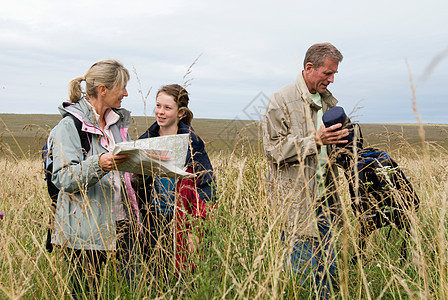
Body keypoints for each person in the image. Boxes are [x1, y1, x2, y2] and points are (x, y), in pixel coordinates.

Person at [262, 43, 348, 299]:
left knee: (329, 276)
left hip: (327, 202)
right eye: (327, 74)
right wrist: (315, 140)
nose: (331, 80)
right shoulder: (281, 100)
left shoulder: (328, 102)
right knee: (302, 279)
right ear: (309, 68)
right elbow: (273, 151)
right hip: (297, 205)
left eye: (334, 75)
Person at [50, 59, 140, 298]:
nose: (126, 93)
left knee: (133, 289)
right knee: (85, 294)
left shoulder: (117, 124)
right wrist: (98, 164)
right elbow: (63, 178)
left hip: (123, 222)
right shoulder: (69, 127)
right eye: (122, 87)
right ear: (103, 89)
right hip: (85, 231)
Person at [137, 84, 215, 277]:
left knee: (184, 279)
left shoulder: (192, 143)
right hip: (152, 222)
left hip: (181, 222)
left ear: (180, 112)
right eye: (158, 106)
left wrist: (195, 229)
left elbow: (206, 186)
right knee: (154, 279)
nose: (160, 112)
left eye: (167, 108)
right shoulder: (144, 141)